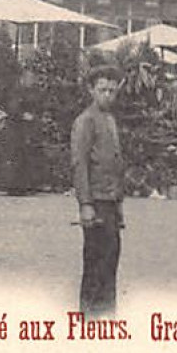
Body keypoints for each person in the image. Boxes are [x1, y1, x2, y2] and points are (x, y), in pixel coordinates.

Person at [70, 63, 125, 315]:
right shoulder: (85, 121)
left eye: (112, 91)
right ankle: (89, 316)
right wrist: (85, 204)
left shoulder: (110, 120)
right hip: (96, 201)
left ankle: (106, 314)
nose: (108, 95)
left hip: (111, 200)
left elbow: (114, 162)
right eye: (102, 90)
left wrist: (119, 203)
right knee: (95, 261)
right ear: (91, 90)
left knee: (111, 259)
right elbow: (79, 163)